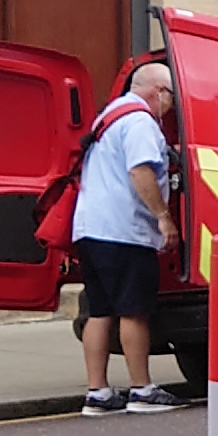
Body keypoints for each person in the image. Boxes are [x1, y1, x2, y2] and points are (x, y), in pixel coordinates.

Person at [72, 61, 184, 415]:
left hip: (90, 228)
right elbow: (141, 171)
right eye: (171, 97)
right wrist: (163, 218)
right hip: (125, 231)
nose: (172, 106)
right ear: (158, 92)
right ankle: (142, 389)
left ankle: (98, 393)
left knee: (99, 310)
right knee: (134, 311)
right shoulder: (140, 122)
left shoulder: (107, 118)